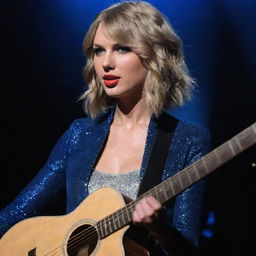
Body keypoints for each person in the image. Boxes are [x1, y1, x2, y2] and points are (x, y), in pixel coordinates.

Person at [0, 1, 211, 255]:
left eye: (121, 49)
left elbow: (188, 249)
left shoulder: (187, 140)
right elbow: (18, 213)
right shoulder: (80, 134)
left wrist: (160, 229)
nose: (106, 63)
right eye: (99, 51)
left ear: (154, 55)